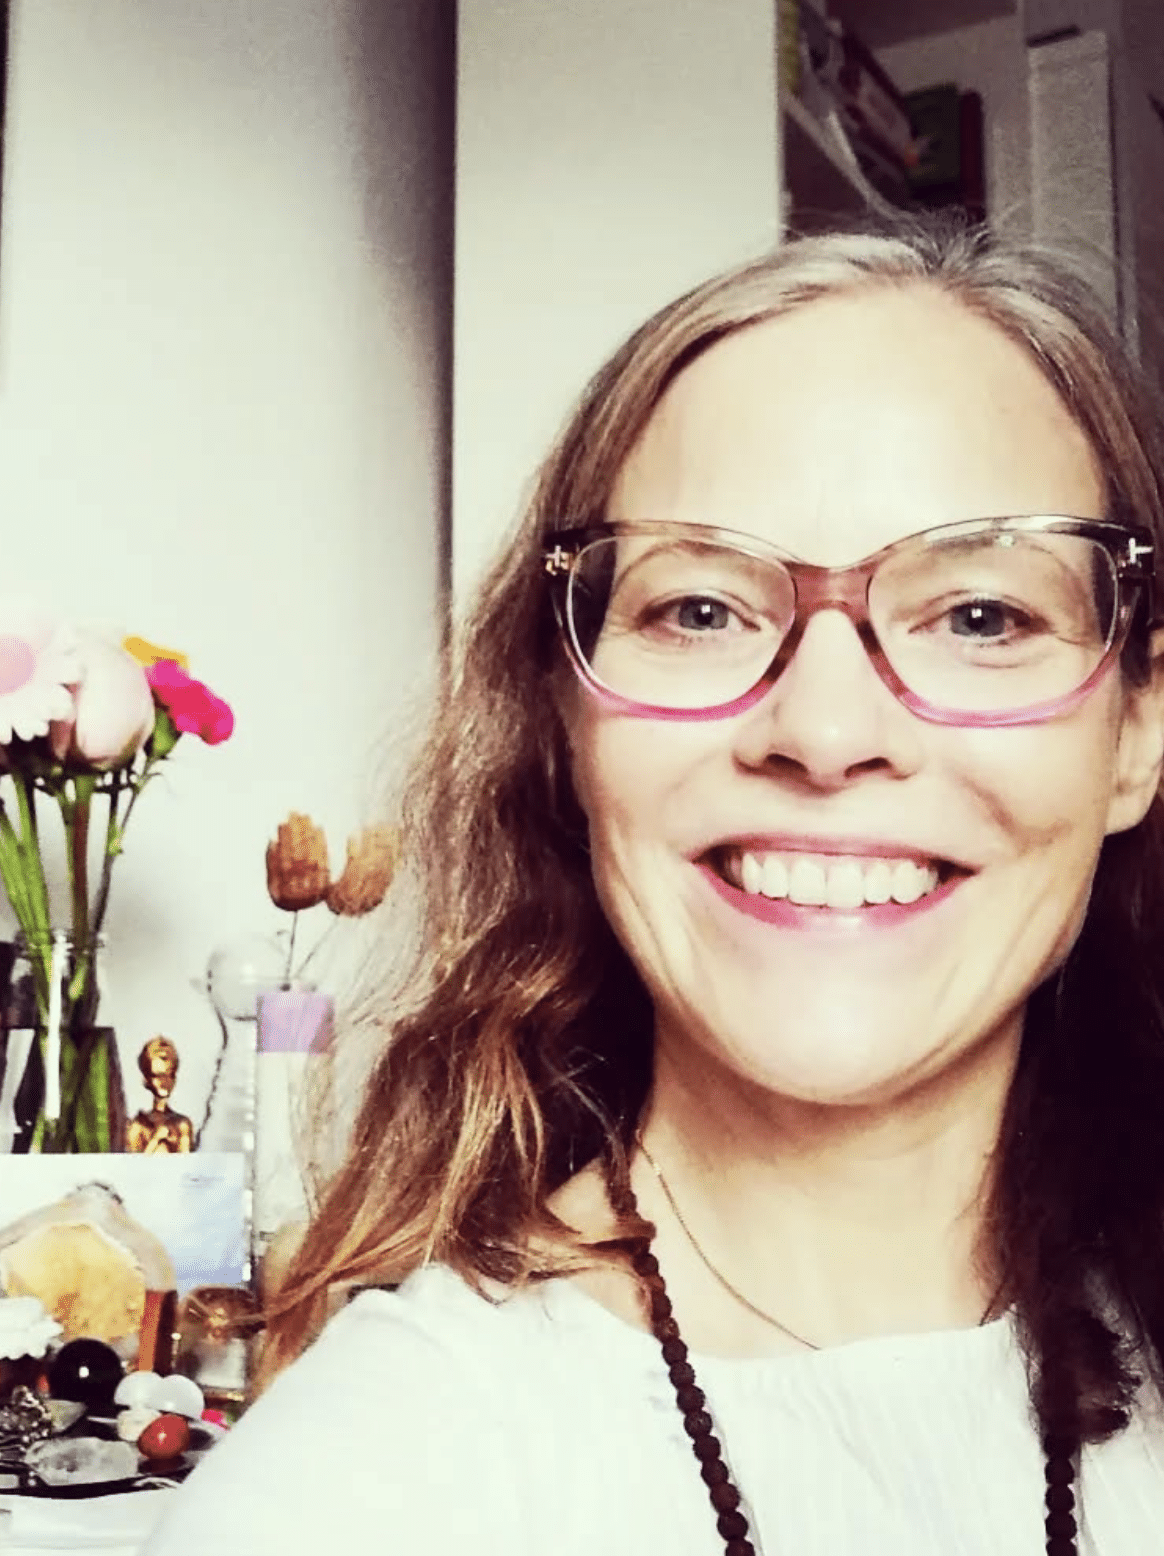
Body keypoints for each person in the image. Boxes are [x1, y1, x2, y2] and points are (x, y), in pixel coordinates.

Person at [145, 220, 1164, 1555]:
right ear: (566, 725)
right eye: (702, 609)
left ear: (1138, 731)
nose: (826, 728)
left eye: (981, 615)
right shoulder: (370, 1486)